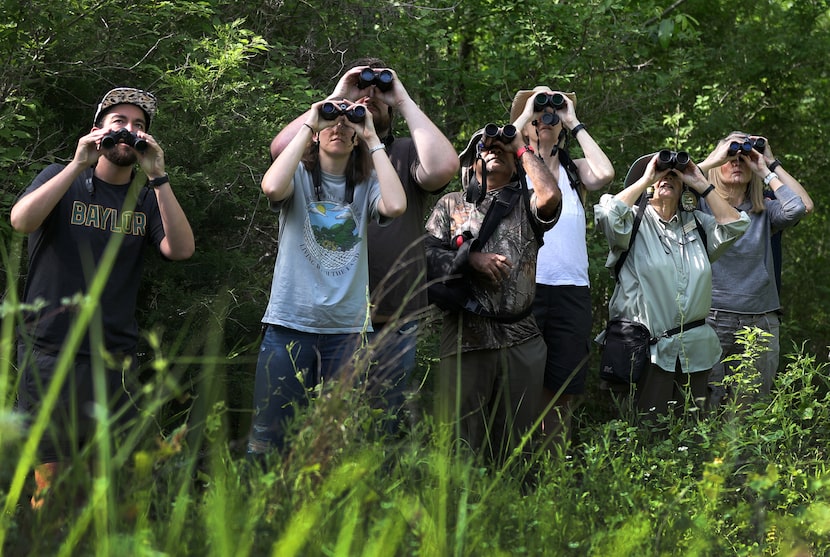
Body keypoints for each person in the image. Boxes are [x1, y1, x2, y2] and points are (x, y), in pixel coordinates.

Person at [10, 87, 195, 508]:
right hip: (49, 353)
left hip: (113, 359)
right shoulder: (63, 178)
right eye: (120, 124)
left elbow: (180, 250)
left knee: (107, 488)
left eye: (139, 126)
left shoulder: (146, 200)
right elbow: (21, 221)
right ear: (97, 132)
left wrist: (158, 176)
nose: (129, 131)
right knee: (51, 484)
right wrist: (78, 164)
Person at [270, 59, 458, 435]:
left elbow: (442, 167)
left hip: (391, 316)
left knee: (380, 429)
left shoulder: (403, 153)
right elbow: (279, 151)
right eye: (362, 91)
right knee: (307, 429)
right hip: (324, 319)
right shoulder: (318, 160)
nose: (369, 96)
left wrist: (400, 97)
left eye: (379, 94)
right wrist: (340, 94)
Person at [247, 97, 407, 457]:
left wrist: (371, 137)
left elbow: (396, 206)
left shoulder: (367, 185)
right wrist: (311, 122)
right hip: (291, 323)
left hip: (347, 332)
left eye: (348, 125)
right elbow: (272, 187)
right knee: (268, 440)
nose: (339, 127)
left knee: (337, 443)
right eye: (330, 123)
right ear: (317, 136)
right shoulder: (298, 176)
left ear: (356, 139)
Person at [424, 107, 562, 461]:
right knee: (459, 442)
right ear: (470, 164)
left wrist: (520, 145)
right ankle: (459, 509)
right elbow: (423, 256)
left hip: (521, 339)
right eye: (484, 148)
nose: (493, 150)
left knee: (517, 444)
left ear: (517, 164)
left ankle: (514, 509)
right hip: (463, 337)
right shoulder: (450, 205)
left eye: (503, 150)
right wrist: (470, 260)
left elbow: (550, 197)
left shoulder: (526, 205)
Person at [594, 151, 749, 419]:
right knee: (645, 434)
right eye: (661, 175)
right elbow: (607, 214)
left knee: (691, 436)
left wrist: (702, 184)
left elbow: (735, 225)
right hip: (645, 352)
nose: (667, 178)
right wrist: (646, 178)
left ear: (684, 189)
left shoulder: (698, 225)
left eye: (674, 176)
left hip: (695, 353)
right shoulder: (632, 221)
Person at [509, 86, 615, 443]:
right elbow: (505, 142)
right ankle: (517, 458)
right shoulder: (513, 166)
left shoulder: (574, 170)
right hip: (525, 288)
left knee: (565, 384)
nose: (545, 118)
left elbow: (604, 174)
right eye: (538, 113)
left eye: (552, 113)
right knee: (521, 381)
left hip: (572, 291)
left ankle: (552, 464)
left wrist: (574, 121)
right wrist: (525, 117)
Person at [697, 132, 811, 407]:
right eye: (731, 158)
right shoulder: (698, 204)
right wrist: (713, 158)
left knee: (749, 413)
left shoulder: (767, 209)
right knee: (704, 407)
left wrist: (768, 164)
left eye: (743, 159)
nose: (737, 163)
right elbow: (673, 181)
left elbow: (802, 207)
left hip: (759, 320)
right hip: (709, 318)